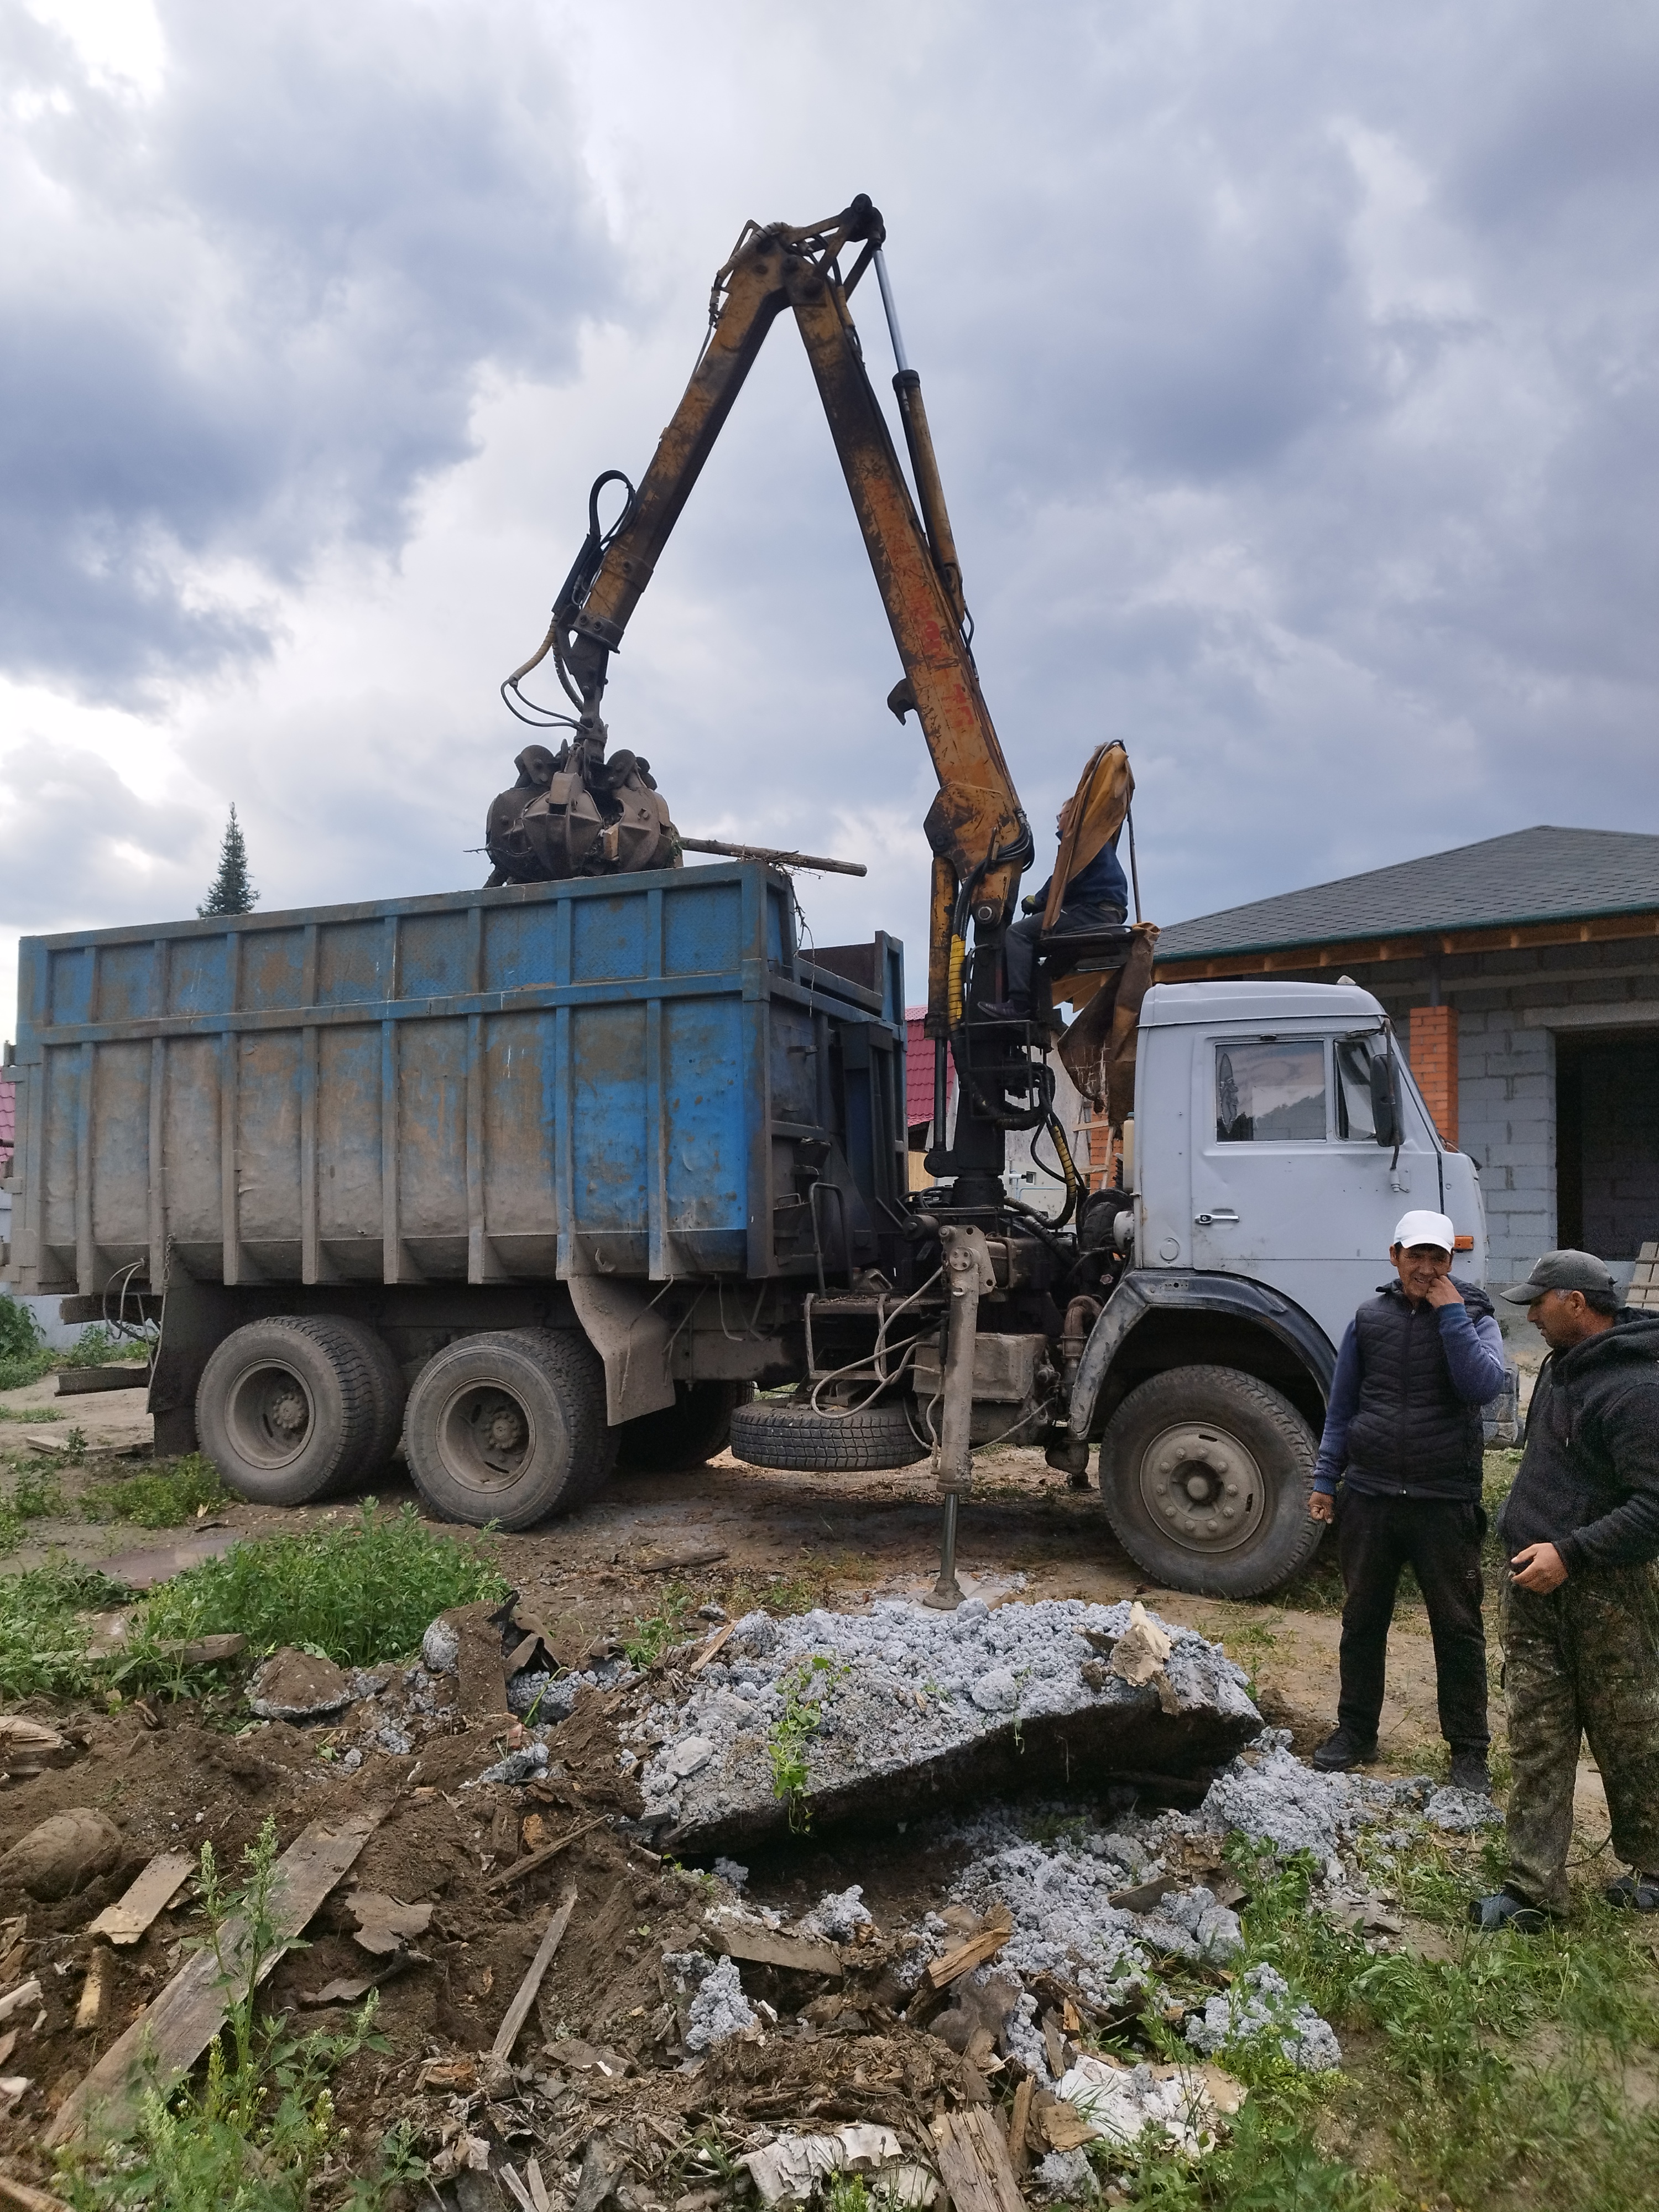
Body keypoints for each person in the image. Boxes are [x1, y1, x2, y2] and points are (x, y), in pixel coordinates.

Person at [1469, 1250, 1659, 1932]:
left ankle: (1654, 1867)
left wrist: (1571, 1554)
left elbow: (1654, 1507)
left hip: (1603, 1592)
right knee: (1538, 1734)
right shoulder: (1557, 1367)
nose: (1529, 1315)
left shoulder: (1637, 1388)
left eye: (1539, 1303)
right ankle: (1532, 1892)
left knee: (1630, 1731)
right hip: (1532, 1584)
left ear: (1576, 1303)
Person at [1308, 1209, 1507, 1791]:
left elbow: (1481, 1387)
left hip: (1443, 1498)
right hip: (1369, 1495)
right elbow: (1342, 1407)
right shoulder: (1369, 1319)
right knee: (1362, 1619)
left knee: (1458, 1627)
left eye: (1437, 1258)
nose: (1426, 1267)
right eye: (1415, 1255)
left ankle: (1469, 1750)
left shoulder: (1475, 1317)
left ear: (1451, 1262)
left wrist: (1450, 1314)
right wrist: (1326, 1480)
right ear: (1394, 1256)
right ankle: (1355, 1732)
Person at [982, 798, 1128, 1020]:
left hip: (1092, 913)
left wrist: (1038, 900)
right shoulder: (1094, 840)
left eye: (1061, 817)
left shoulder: (1080, 841)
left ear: (1073, 815)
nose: (1058, 823)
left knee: (1017, 933)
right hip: (1103, 911)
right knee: (1037, 943)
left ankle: (1019, 1005)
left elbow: (1063, 881)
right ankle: (1037, 1005)